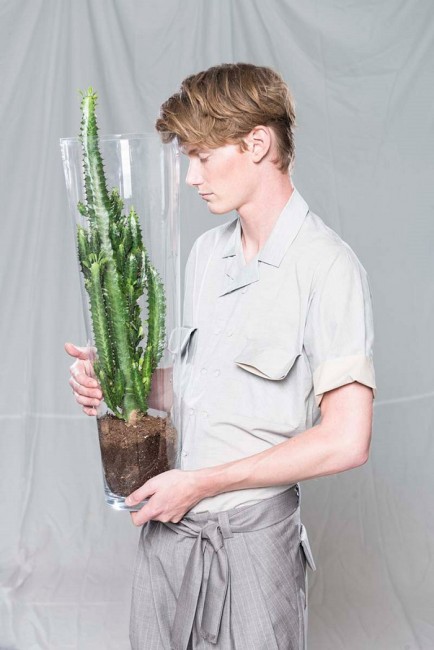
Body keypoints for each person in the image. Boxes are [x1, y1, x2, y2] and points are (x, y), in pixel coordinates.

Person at [66, 63, 376, 649]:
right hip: (171, 536)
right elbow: (203, 389)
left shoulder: (329, 267)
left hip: (254, 543)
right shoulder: (207, 254)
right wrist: (119, 381)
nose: (191, 177)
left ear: (257, 144)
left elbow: (346, 440)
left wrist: (202, 483)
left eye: (203, 157)